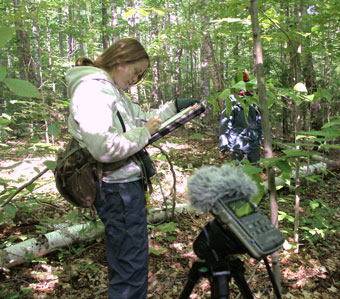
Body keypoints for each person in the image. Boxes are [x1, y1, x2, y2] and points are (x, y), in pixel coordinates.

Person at [65, 38, 197, 299]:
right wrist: (144, 134)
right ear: (119, 61)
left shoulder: (110, 91)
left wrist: (174, 108)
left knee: (129, 258)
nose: (136, 80)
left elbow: (141, 121)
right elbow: (103, 147)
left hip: (123, 186)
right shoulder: (93, 90)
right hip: (116, 188)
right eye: (136, 72)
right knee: (131, 265)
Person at [219, 72, 262, 164]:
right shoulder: (232, 100)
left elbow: (258, 121)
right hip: (239, 145)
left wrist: (223, 147)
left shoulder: (252, 99)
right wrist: (223, 147)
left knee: (250, 173)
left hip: (248, 145)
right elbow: (226, 123)